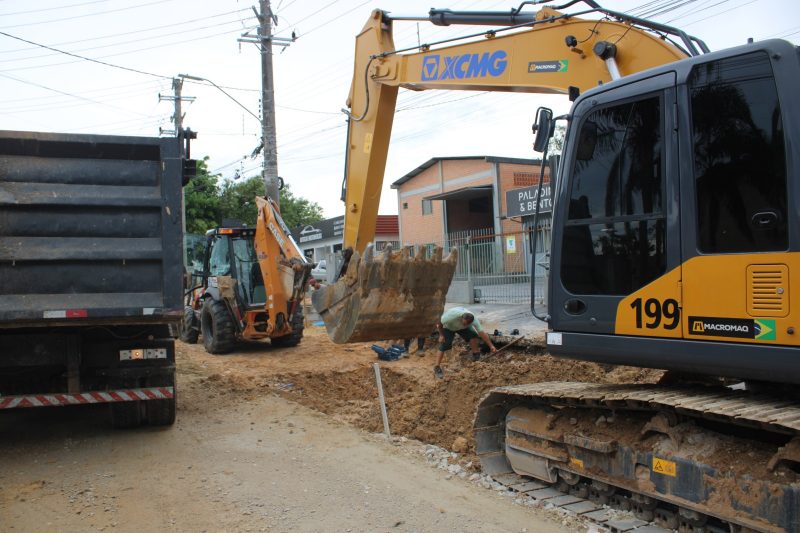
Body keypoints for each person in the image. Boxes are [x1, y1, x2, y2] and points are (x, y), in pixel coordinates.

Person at [434, 307, 496, 379]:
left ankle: (476, 355)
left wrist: (491, 346)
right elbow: (439, 324)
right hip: (448, 327)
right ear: (461, 318)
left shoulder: (473, 320)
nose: (465, 325)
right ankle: (437, 367)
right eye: (465, 323)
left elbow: (481, 333)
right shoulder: (450, 317)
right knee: (445, 344)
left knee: (473, 335)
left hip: (461, 329)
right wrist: (441, 335)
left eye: (468, 324)